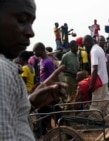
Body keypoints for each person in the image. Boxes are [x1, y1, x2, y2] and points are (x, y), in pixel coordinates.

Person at [0, 0, 67, 140]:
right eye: (22, 20)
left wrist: (30, 103)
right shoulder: (3, 71)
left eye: (31, 23)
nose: (31, 32)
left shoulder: (45, 62)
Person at [82, 35, 109, 123]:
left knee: (95, 104)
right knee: (107, 103)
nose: (84, 47)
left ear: (88, 43)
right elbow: (106, 65)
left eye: (85, 45)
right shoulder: (100, 49)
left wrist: (91, 85)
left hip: (98, 82)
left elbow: (94, 69)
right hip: (104, 81)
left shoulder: (93, 51)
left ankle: (91, 124)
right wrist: (108, 78)